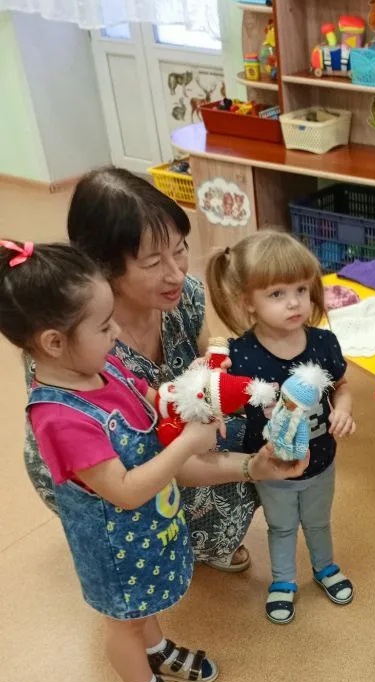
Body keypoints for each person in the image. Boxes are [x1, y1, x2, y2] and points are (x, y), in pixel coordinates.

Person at [1, 240, 308, 682]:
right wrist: (188, 443)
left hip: (149, 527)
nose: (116, 332)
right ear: (54, 343)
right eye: (104, 326)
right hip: (115, 547)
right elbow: (123, 489)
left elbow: (154, 398)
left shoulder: (104, 366)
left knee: (143, 606)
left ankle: (156, 647)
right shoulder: (60, 418)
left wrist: (197, 393)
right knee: (124, 620)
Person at [22, 166, 257, 572]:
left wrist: (217, 367)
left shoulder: (184, 295)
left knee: (256, 422)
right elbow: (136, 465)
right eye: (152, 262)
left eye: (180, 248)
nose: (176, 272)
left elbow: (213, 351)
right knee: (182, 520)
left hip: (171, 437)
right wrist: (255, 468)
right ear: (103, 266)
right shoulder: (73, 348)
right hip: (114, 466)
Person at [206, 231, 355, 625]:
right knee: (281, 526)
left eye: (301, 289)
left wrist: (343, 410)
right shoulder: (239, 355)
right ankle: (284, 580)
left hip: (321, 460)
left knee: (319, 521)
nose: (294, 302)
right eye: (276, 294)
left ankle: (325, 567)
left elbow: (342, 387)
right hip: (271, 466)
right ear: (247, 302)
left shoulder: (323, 343)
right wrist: (208, 387)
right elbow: (218, 399)